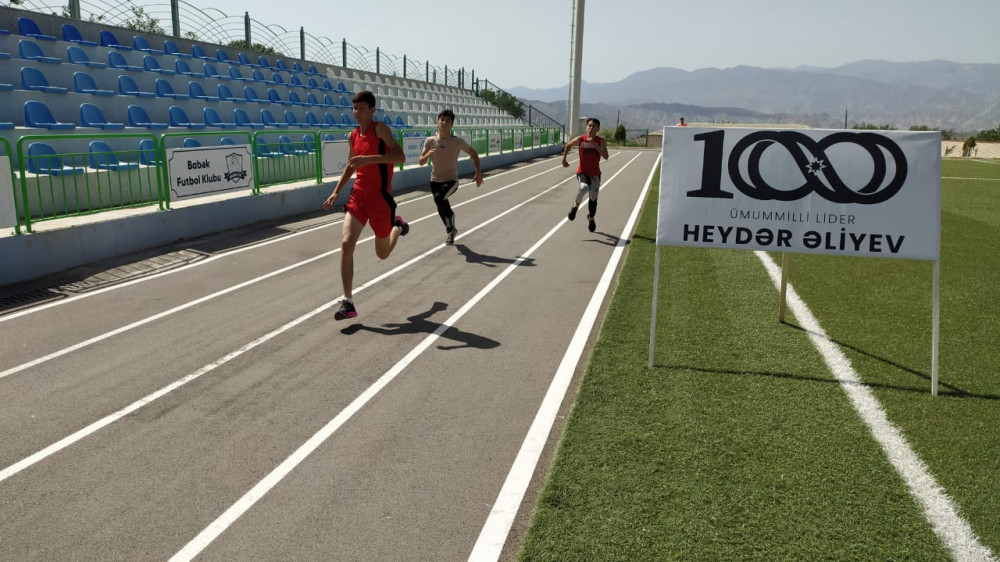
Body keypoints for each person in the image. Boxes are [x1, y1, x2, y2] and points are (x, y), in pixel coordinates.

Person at [323, 90, 408, 320]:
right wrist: (336, 191)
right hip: (358, 197)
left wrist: (369, 160)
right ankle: (348, 302)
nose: (357, 113)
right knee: (346, 243)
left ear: (372, 110)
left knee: (382, 254)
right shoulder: (352, 136)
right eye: (355, 108)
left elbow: (400, 157)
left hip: (380, 199)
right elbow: (352, 165)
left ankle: (397, 228)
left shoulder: (380, 129)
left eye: (362, 109)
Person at [418, 109, 484, 245]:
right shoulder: (430, 141)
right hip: (435, 181)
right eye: (442, 119)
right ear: (437, 122)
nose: (444, 123)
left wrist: (478, 172)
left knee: (439, 199)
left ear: (452, 125)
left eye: (448, 120)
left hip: (451, 181)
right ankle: (451, 230)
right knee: (440, 205)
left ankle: (451, 219)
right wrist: (427, 155)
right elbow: (421, 162)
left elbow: (474, 154)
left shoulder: (457, 142)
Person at [562, 117, 609, 233]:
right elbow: (568, 144)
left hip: (595, 174)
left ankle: (591, 218)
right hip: (582, 172)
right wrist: (564, 159)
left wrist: (595, 144)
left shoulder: (600, 140)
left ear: (598, 129)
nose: (591, 128)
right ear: (586, 127)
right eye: (589, 125)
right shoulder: (581, 139)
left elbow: (606, 156)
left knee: (593, 198)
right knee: (583, 187)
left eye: (594, 126)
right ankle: (575, 206)